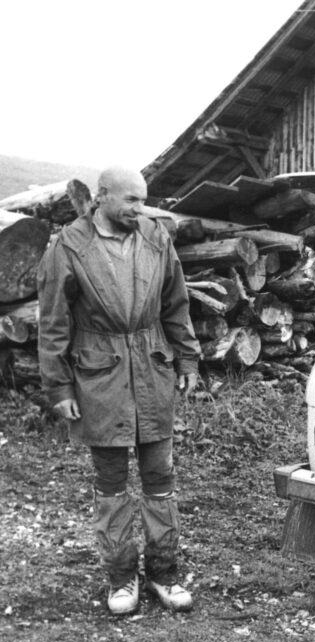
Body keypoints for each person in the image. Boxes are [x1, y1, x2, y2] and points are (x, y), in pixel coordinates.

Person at [36, 166, 202, 616]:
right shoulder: (68, 245)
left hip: (152, 367)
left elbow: (176, 303)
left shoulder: (155, 236)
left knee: (160, 478)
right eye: (131, 200)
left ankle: (164, 573)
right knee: (110, 484)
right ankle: (121, 577)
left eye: (143, 200)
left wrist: (187, 358)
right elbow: (53, 322)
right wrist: (59, 386)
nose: (139, 209)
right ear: (102, 196)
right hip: (99, 375)